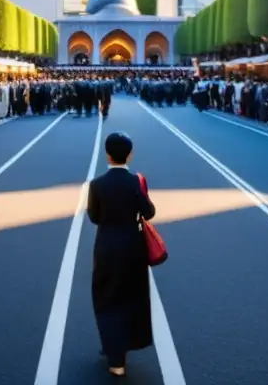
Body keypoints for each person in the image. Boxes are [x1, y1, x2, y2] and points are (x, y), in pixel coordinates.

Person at [87, 132, 156, 378]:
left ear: (107, 154)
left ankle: (114, 355)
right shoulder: (135, 182)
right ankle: (125, 346)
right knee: (131, 298)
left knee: (106, 298)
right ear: (130, 154)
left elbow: (93, 217)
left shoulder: (96, 185)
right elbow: (149, 212)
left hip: (106, 247)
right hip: (133, 247)